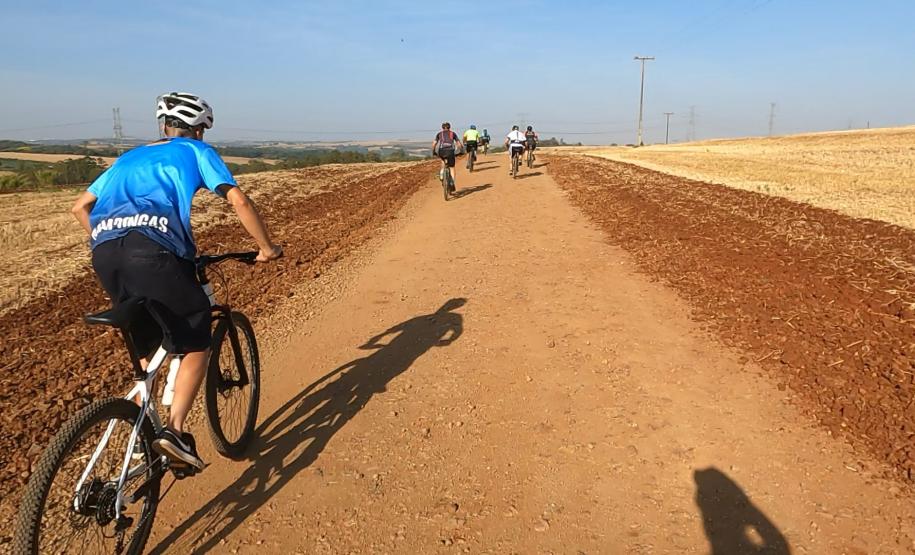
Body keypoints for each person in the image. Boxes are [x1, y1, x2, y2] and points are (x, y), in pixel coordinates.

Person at [71, 92, 283, 471]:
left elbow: (79, 207)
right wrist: (267, 248)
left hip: (105, 253)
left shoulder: (128, 158)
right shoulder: (196, 152)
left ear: (163, 126)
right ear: (198, 129)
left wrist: (114, 238)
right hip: (155, 253)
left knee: (148, 352)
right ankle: (173, 432)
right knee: (196, 339)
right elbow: (239, 200)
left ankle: (139, 434)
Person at [432, 122, 463, 189]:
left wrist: (433, 151)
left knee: (443, 162)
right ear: (449, 127)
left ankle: (441, 175)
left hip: (442, 151)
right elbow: (459, 144)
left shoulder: (439, 134)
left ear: (442, 128)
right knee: (452, 167)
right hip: (450, 151)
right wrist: (460, 151)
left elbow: (434, 144)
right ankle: (452, 182)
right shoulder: (453, 134)